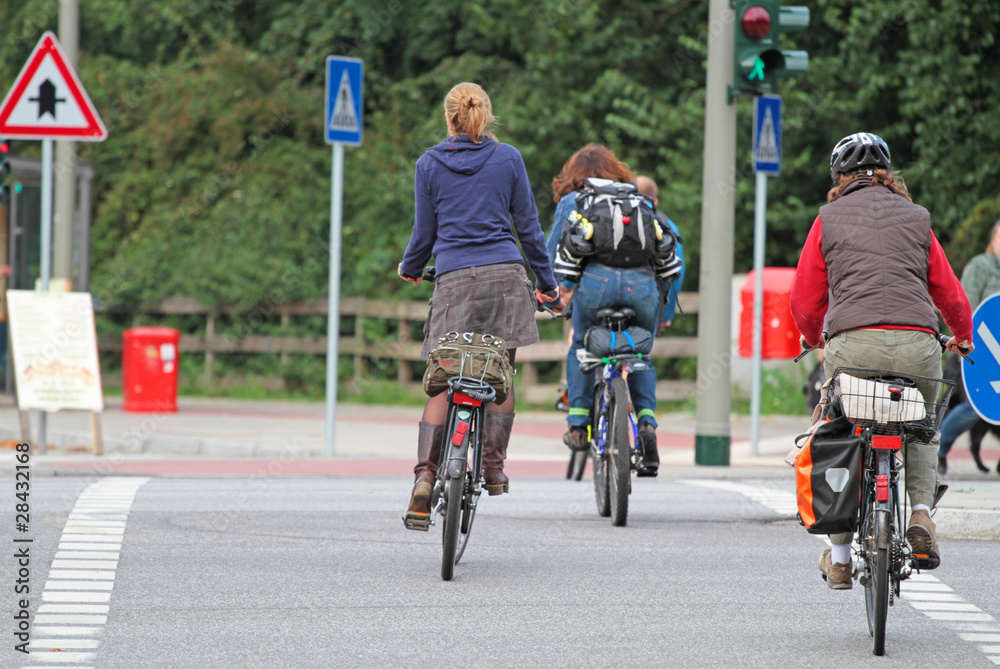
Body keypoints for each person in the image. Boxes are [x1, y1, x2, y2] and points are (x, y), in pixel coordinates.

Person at [790, 132, 974, 588]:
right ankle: (919, 516)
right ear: (887, 176)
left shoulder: (827, 219)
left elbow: (804, 299)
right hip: (918, 343)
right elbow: (948, 291)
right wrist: (964, 337)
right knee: (923, 427)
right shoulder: (917, 218)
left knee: (839, 430)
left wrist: (815, 337)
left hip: (852, 345)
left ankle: (837, 557)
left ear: (840, 178)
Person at [399, 82, 559, 530]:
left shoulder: (428, 164)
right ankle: (492, 467)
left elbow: (424, 233)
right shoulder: (508, 158)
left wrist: (411, 267)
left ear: (448, 117)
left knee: (441, 381)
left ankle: (425, 479)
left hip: (453, 283)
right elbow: (528, 227)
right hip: (506, 279)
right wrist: (546, 284)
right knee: (499, 374)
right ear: (485, 116)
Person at [545, 145, 681, 475]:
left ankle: (578, 422)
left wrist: (552, 293)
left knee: (580, 345)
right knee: (640, 354)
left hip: (595, 287)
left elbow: (550, 254)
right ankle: (647, 421)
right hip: (642, 288)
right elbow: (665, 246)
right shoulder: (637, 198)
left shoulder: (572, 201)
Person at [938, 219, 1000, 474]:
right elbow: (966, 309)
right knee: (975, 407)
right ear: (994, 239)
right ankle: (938, 450)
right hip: (976, 353)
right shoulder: (980, 267)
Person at [634, 176, 685, 332]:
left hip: (607, 299)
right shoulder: (667, 226)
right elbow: (676, 272)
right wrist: (665, 315)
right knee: (640, 349)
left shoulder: (611, 215)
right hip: (648, 302)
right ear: (654, 201)